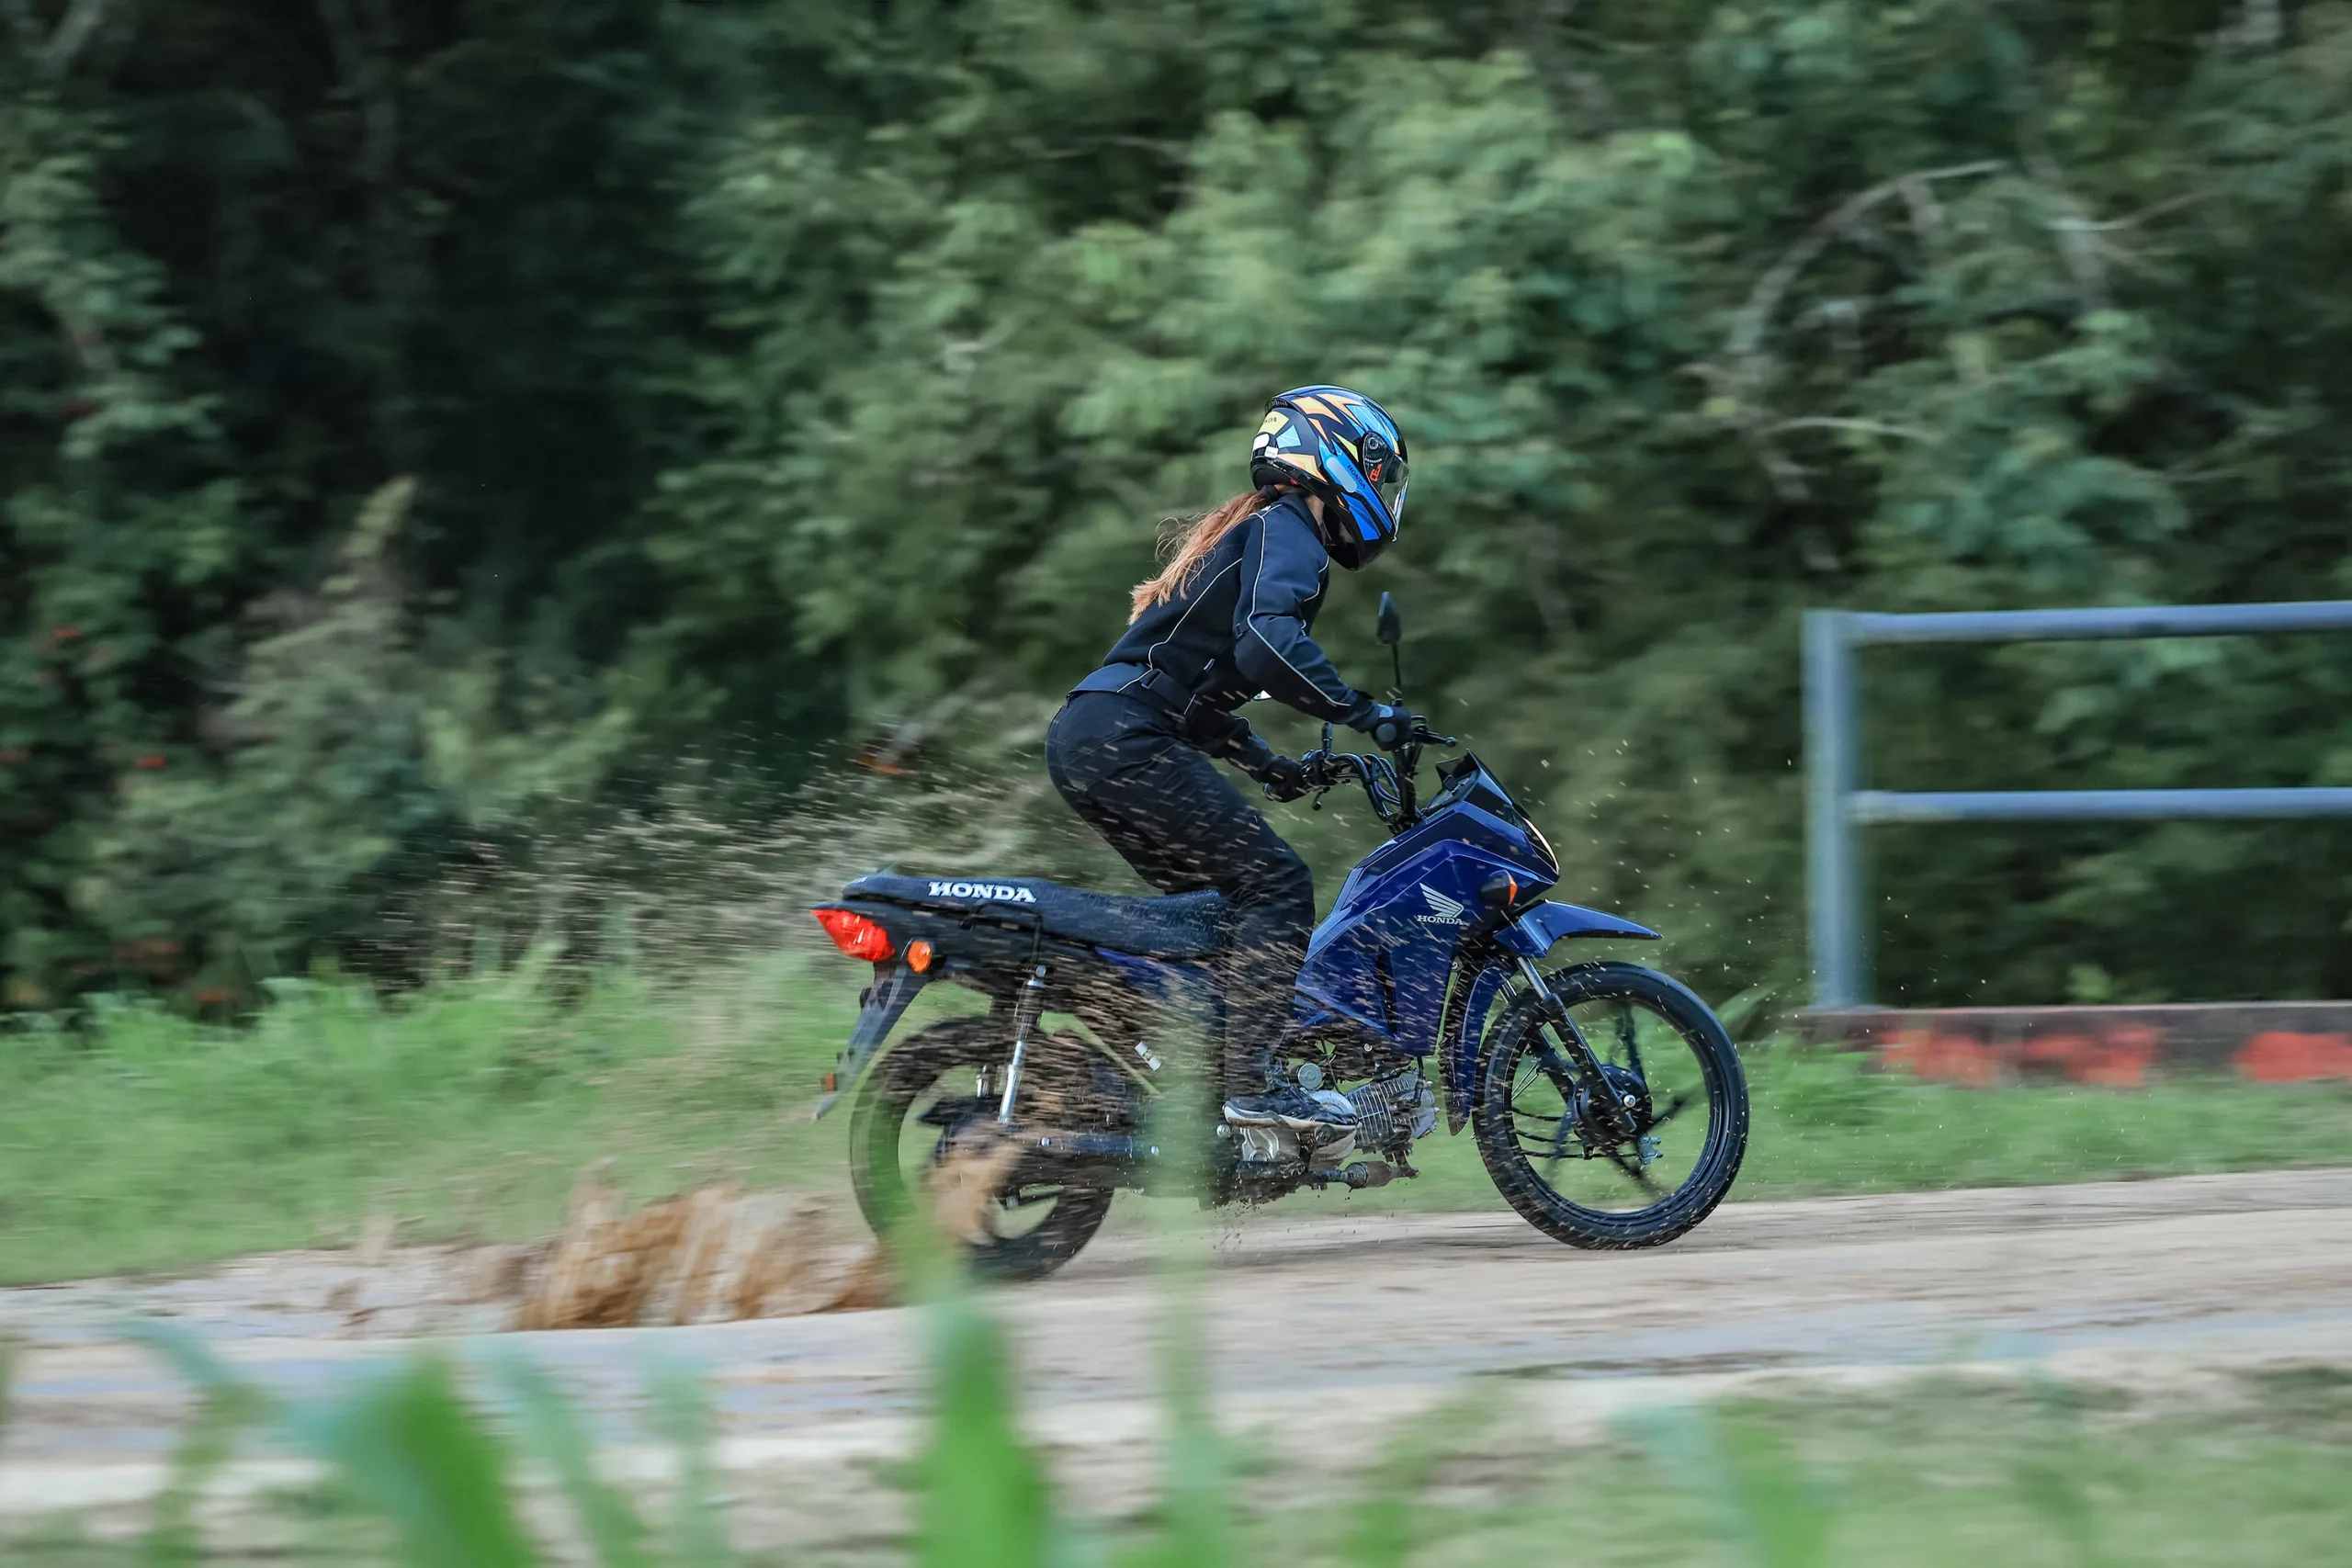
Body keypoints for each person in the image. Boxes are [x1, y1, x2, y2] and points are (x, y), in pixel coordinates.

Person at [1044, 386, 1419, 1138]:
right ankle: (1250, 1085)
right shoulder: (1290, 529)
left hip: (1099, 733)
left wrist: (1269, 762)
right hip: (1124, 737)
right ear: (1332, 454)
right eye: (1380, 473)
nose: (1384, 492)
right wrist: (1361, 711)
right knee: (1276, 884)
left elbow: (1192, 689)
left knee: (1221, 912)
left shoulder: (1260, 532)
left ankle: (1184, 1074)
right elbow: (1264, 641)